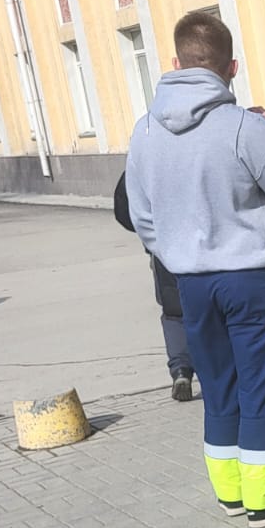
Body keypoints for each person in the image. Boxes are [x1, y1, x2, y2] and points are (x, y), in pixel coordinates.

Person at [124, 12, 265, 527]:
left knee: (218, 386)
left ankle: (231, 492)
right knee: (263, 383)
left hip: (190, 282)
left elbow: (142, 216)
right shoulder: (243, 127)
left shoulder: (145, 131)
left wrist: (177, 252)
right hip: (251, 277)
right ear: (232, 67)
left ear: (175, 63)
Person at [114, 171, 265, 461]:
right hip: (230, 271)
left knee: (235, 373)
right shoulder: (178, 154)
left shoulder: (151, 156)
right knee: (259, 368)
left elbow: (128, 211)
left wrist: (164, 245)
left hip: (188, 271)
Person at [114, 172, 194, 402]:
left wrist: (150, 234)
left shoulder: (142, 158)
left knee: (174, 312)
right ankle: (216, 369)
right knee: (209, 309)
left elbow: (124, 209)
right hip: (204, 245)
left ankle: (181, 370)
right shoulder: (199, 152)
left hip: (162, 249)